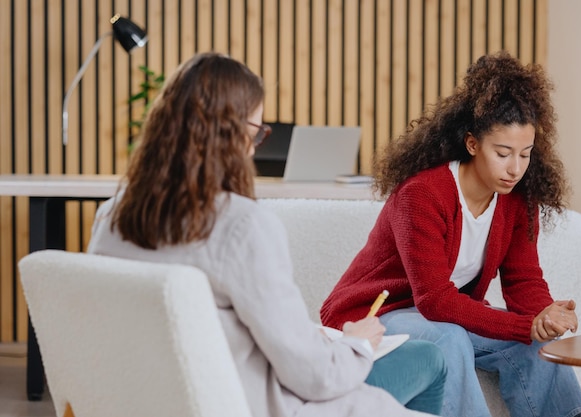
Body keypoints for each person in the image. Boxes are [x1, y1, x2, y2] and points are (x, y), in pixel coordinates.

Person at [87, 52, 446, 417]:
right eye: (257, 132)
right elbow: (313, 376)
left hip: (154, 401)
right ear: (233, 136)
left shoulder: (110, 218)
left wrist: (310, 340)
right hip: (251, 402)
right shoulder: (241, 226)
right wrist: (355, 346)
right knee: (430, 358)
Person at [320, 51, 581, 417]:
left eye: (525, 154)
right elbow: (434, 301)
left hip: (444, 314)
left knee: (533, 346)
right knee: (451, 338)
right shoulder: (422, 195)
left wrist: (545, 316)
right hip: (380, 315)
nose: (515, 169)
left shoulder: (517, 199)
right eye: (503, 153)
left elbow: (523, 278)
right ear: (473, 144)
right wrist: (527, 324)